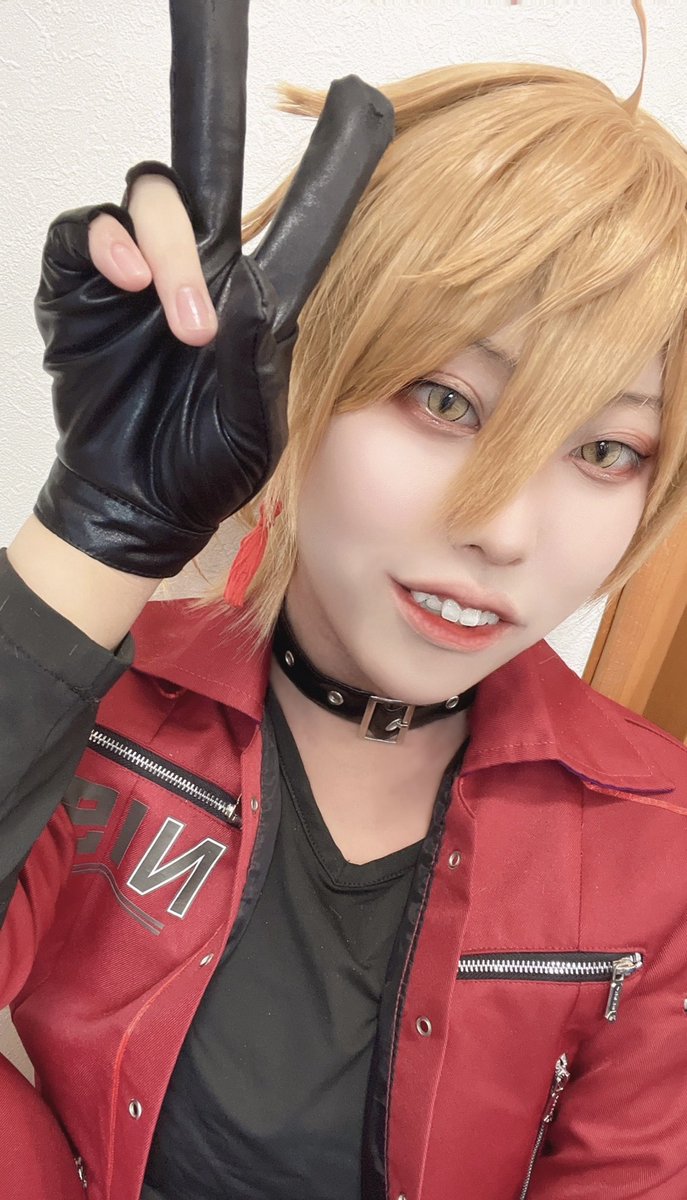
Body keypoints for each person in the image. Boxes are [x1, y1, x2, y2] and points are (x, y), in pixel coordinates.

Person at [3, 0, 687, 1196]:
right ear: (301, 372)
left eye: (605, 451)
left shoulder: (660, 844)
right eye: (446, 400)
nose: (503, 529)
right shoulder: (100, 714)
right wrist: (97, 531)